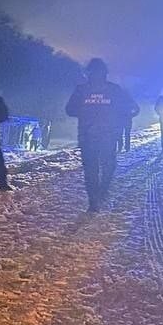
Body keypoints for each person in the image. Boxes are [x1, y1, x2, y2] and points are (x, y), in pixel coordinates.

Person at [65, 58, 139, 213]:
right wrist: (120, 116)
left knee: (91, 169)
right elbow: (133, 108)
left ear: (88, 73)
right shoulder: (114, 90)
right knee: (108, 166)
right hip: (108, 135)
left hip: (88, 135)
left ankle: (94, 200)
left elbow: (70, 110)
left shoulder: (81, 90)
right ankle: (101, 193)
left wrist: (85, 112)